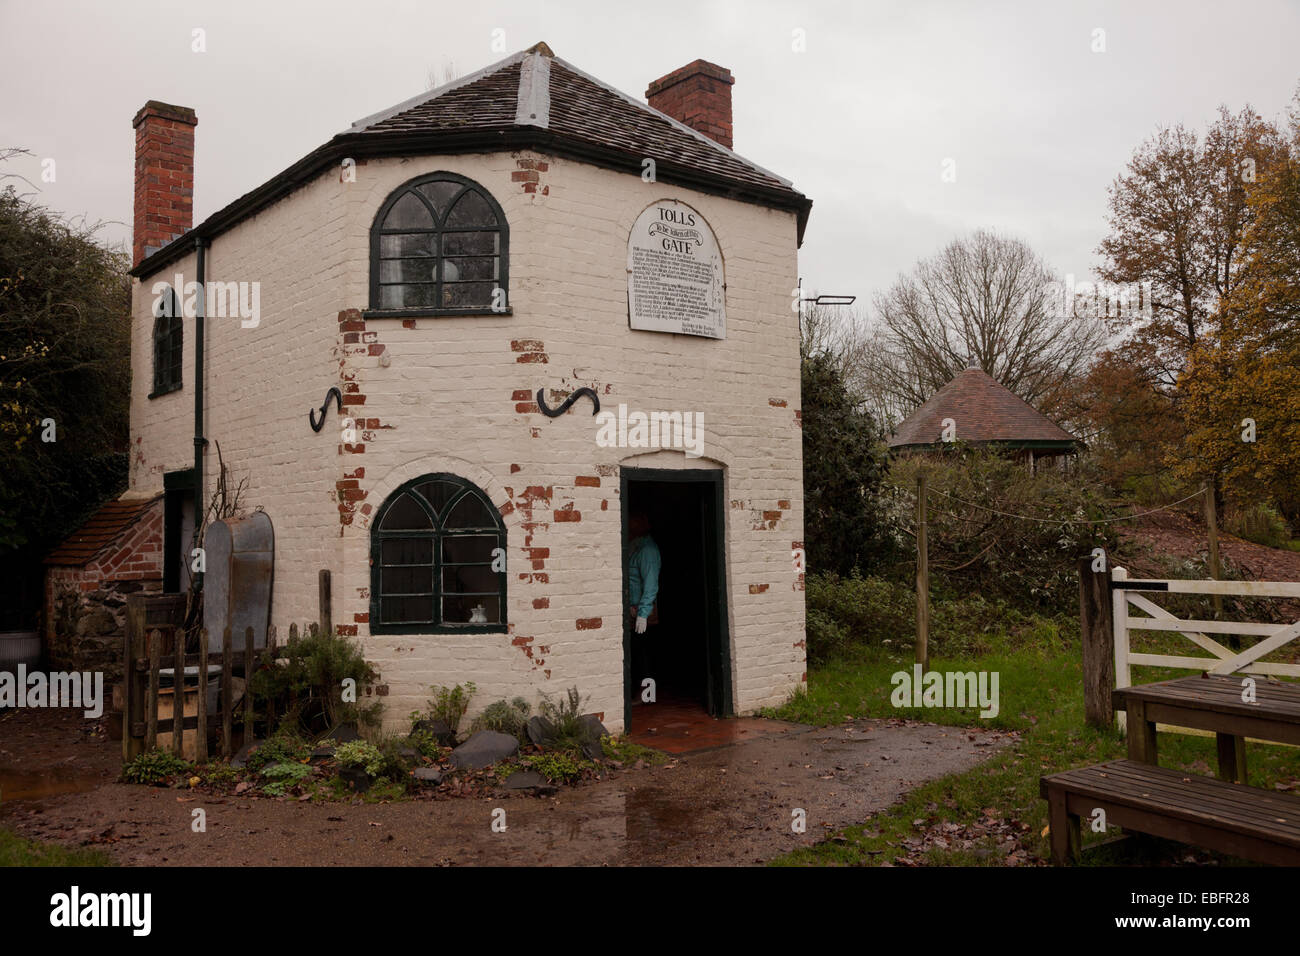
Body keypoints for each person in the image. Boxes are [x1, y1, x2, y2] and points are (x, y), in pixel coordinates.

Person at [627, 511, 661, 687]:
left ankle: (647, 696)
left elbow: (650, 584)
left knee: (644, 654)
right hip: (633, 610)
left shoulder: (647, 550)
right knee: (637, 653)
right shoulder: (635, 546)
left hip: (641, 612)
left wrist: (643, 613)